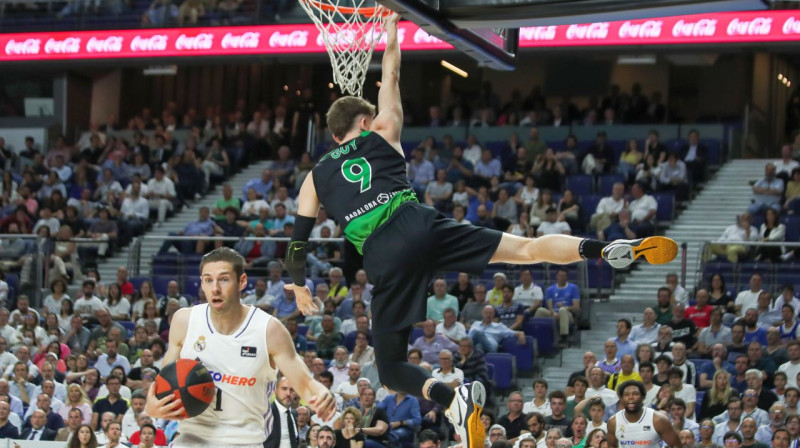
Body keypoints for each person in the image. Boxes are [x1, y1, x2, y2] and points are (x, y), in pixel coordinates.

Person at [285, 13, 678, 448]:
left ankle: (452, 400)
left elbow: (298, 241)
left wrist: (300, 287)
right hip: (420, 223)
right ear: (364, 123)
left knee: (393, 367)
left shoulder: (314, 177)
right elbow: (391, 70)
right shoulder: (384, 130)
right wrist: (392, 26)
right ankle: (605, 249)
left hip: (382, 252)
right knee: (528, 250)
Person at [144, 248, 336, 447]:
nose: (215, 288)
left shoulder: (269, 330)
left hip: (244, 441)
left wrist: (320, 394)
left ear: (242, 282)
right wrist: (153, 407)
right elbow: (162, 385)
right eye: (208, 280)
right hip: (191, 439)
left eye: (224, 279)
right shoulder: (184, 321)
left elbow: (304, 383)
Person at [607, 380, 681, 448]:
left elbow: (676, 445)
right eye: (626, 394)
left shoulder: (658, 420)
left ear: (643, 397)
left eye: (635, 394)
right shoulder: (613, 422)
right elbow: (611, 445)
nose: (631, 397)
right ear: (621, 399)